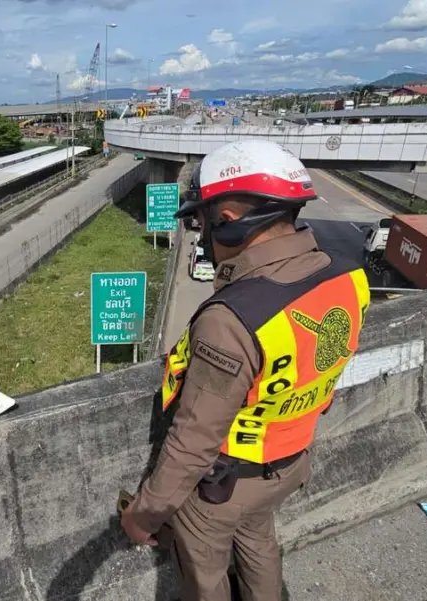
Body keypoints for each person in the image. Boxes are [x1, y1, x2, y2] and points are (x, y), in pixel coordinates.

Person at [120, 139, 370, 601]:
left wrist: (145, 514)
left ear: (228, 220)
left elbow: (195, 439)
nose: (202, 237)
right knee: (258, 545)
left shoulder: (232, 319)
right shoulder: (346, 276)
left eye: (202, 224)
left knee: (205, 576)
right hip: (290, 463)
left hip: (224, 484)